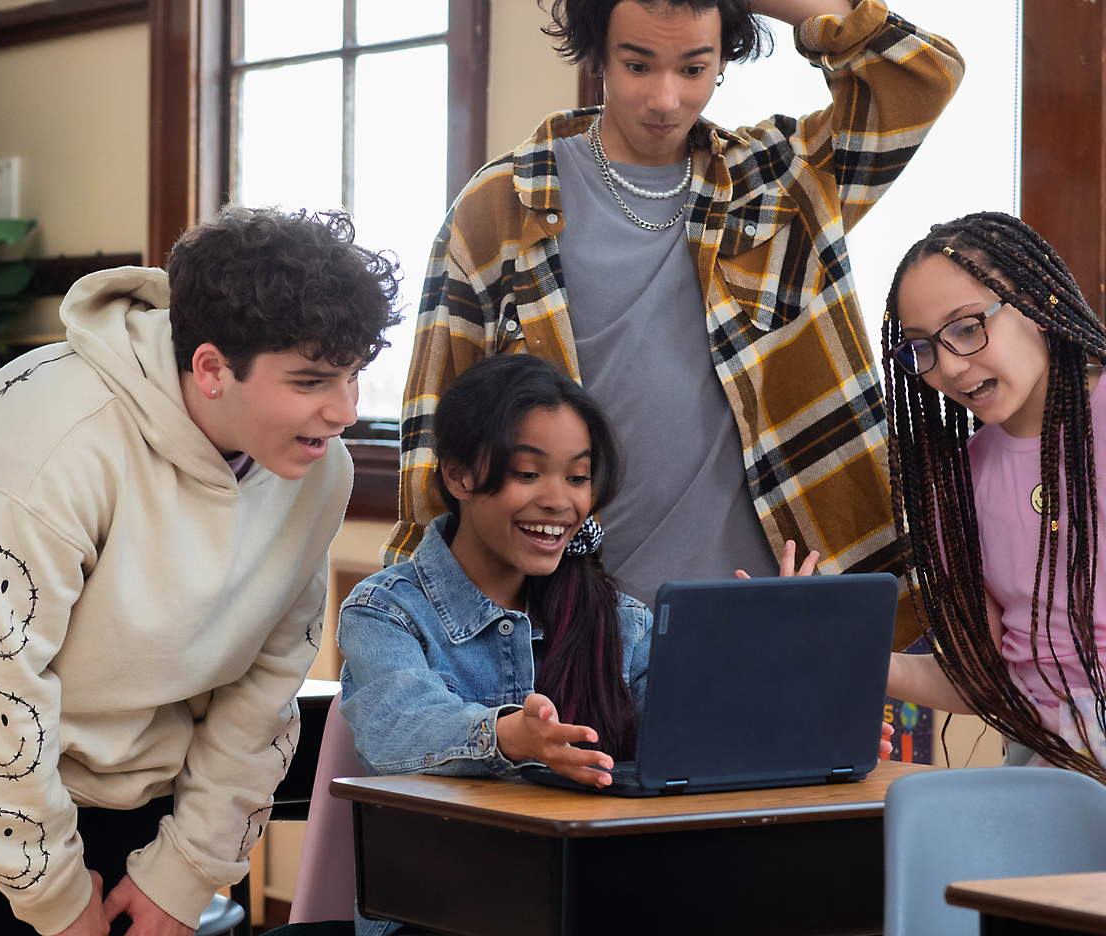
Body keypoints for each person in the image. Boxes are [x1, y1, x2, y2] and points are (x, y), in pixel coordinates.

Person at [0, 207, 401, 936]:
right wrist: (55, 898)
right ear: (211, 368)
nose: (343, 411)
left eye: (353, 376)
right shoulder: (56, 444)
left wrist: (186, 872)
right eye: (311, 382)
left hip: (145, 759)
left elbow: (265, 686)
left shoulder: (315, 470)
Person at [386, 0, 963, 652]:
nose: (665, 98)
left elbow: (921, 76)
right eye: (638, 64)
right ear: (598, 51)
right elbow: (434, 454)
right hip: (571, 641)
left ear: (723, 62)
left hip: (786, 626)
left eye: (694, 67)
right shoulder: (498, 208)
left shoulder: (779, 183)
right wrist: (411, 643)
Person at [340, 355, 651, 795]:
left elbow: (693, 732)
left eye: (578, 477)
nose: (560, 501)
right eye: (527, 473)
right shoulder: (386, 613)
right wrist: (508, 736)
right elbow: (398, 728)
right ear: (458, 475)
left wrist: (767, 653)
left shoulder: (624, 623)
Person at [881, 212, 1106, 780]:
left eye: (966, 326)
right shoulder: (958, 484)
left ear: (1034, 300)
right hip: (1043, 765)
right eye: (922, 349)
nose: (951, 367)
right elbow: (985, 677)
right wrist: (846, 654)